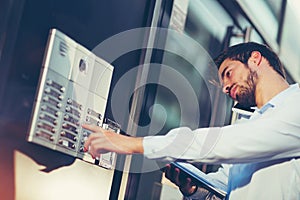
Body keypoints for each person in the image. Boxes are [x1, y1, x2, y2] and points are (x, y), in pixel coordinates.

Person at [83, 42, 300, 199]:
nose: (225, 88)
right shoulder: (250, 123)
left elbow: (226, 142)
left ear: (255, 59)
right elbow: (225, 188)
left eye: (228, 73)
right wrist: (194, 189)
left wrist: (134, 144)